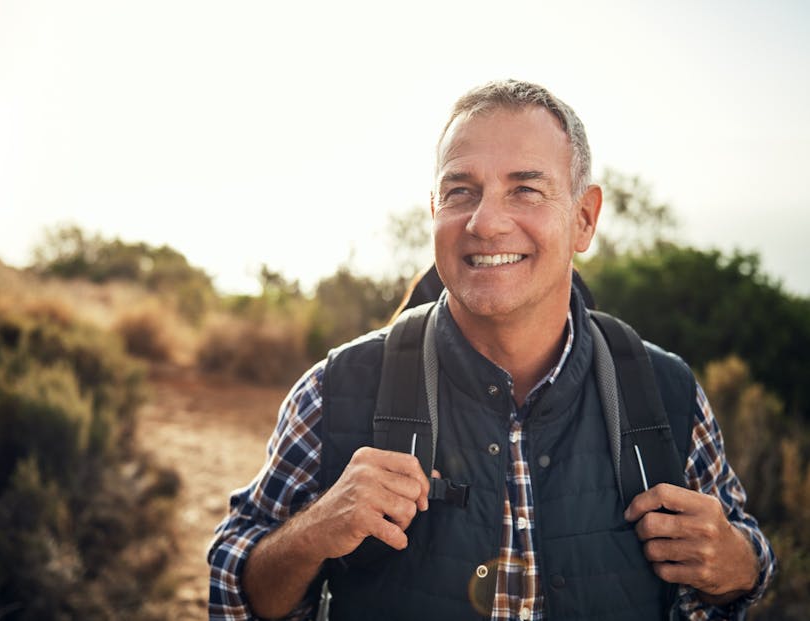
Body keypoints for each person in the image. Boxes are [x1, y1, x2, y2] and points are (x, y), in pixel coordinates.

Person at [208, 80, 776, 620]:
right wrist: (313, 533)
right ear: (435, 212)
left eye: (524, 189)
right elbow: (237, 591)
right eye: (461, 192)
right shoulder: (334, 389)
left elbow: (739, 567)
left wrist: (740, 564)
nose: (485, 222)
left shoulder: (667, 391)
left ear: (584, 218)